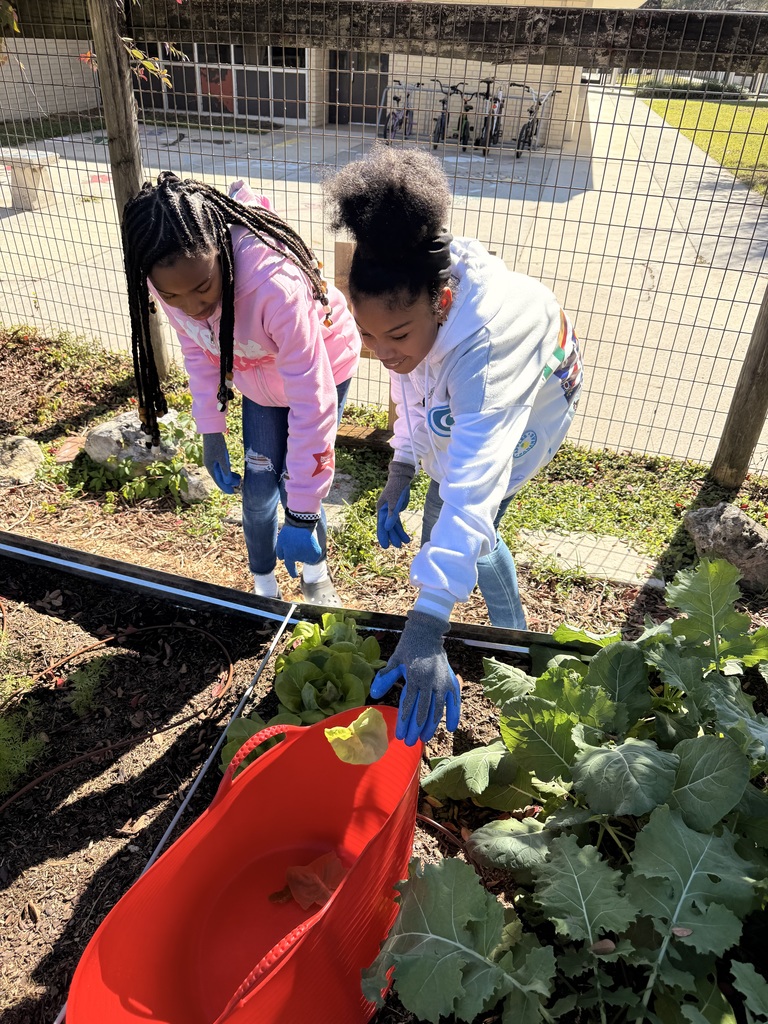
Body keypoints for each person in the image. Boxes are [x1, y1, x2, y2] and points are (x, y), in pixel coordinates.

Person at [324, 147, 583, 745]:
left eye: (395, 333)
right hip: (461, 364)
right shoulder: (405, 296)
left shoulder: (487, 350)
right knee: (442, 493)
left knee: (457, 509)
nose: (382, 349)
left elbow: (474, 481)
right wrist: (403, 463)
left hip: (540, 393)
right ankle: (503, 626)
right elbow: (412, 380)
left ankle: (512, 639)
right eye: (367, 334)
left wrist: (425, 625)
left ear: (440, 302)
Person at [121, 172, 361, 605]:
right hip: (259, 383)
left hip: (323, 368)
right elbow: (198, 350)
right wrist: (211, 431)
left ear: (221, 255)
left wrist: (304, 514)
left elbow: (313, 399)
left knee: (295, 486)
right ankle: (264, 588)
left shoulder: (274, 287)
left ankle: (315, 574)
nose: (193, 307)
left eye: (203, 288)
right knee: (257, 493)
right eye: (174, 298)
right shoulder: (169, 280)